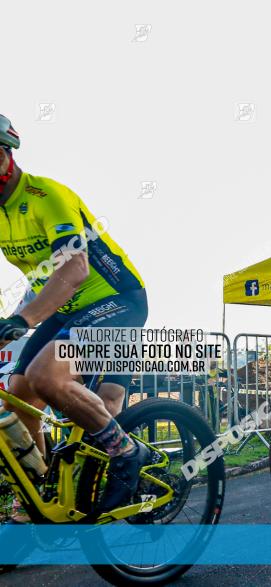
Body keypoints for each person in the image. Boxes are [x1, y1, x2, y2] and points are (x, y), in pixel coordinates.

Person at [0, 114, 149, 516]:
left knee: (48, 377)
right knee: (19, 395)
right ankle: (35, 501)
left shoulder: (47, 196)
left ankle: (127, 452)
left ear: (4, 156)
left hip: (117, 300)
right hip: (66, 309)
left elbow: (74, 268)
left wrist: (23, 320)